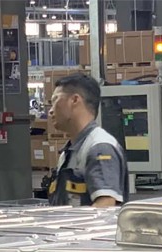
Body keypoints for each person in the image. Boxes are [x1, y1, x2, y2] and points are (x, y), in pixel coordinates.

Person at [47, 73, 129, 207]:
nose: (50, 111)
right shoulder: (69, 153)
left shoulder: (100, 147)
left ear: (75, 100)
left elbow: (105, 205)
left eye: (55, 100)